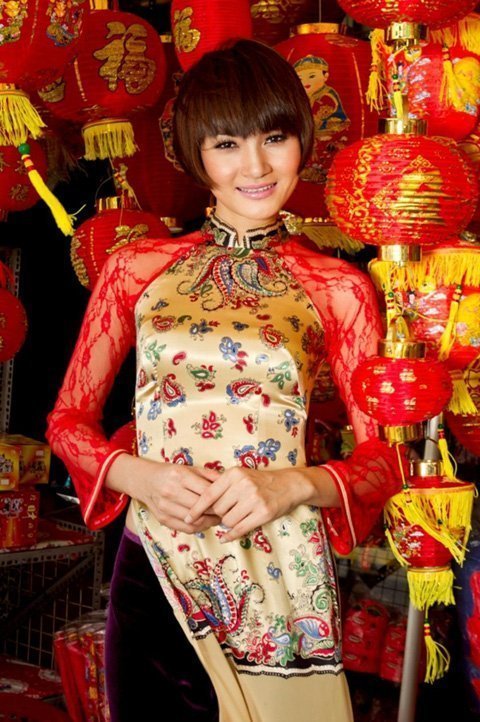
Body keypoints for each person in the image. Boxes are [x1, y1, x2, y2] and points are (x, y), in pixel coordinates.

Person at [47, 39, 406, 722]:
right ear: (194, 154)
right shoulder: (135, 269)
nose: (256, 166)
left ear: (302, 140)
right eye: (226, 144)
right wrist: (139, 477)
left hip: (284, 579)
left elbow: (383, 460)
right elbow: (67, 421)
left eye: (274, 138)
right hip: (156, 570)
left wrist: (294, 484)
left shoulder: (339, 287)